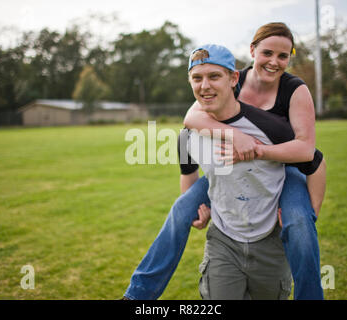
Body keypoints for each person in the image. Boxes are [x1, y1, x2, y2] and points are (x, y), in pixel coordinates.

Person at [123, 23, 325, 300]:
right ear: (252, 51)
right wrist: (232, 137)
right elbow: (191, 120)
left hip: (284, 164)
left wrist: (308, 210)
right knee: (183, 208)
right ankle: (137, 296)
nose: (274, 62)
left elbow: (307, 152)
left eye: (283, 56)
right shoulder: (231, 80)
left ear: (230, 79)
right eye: (267, 53)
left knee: (300, 223)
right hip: (228, 169)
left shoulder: (293, 90)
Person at [182, 44, 296, 299]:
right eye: (197, 78)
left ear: (234, 78)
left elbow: (313, 161)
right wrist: (197, 208)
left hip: (269, 240)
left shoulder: (271, 127)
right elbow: (187, 172)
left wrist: (299, 214)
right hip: (223, 241)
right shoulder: (186, 135)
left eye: (214, 76)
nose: (205, 86)